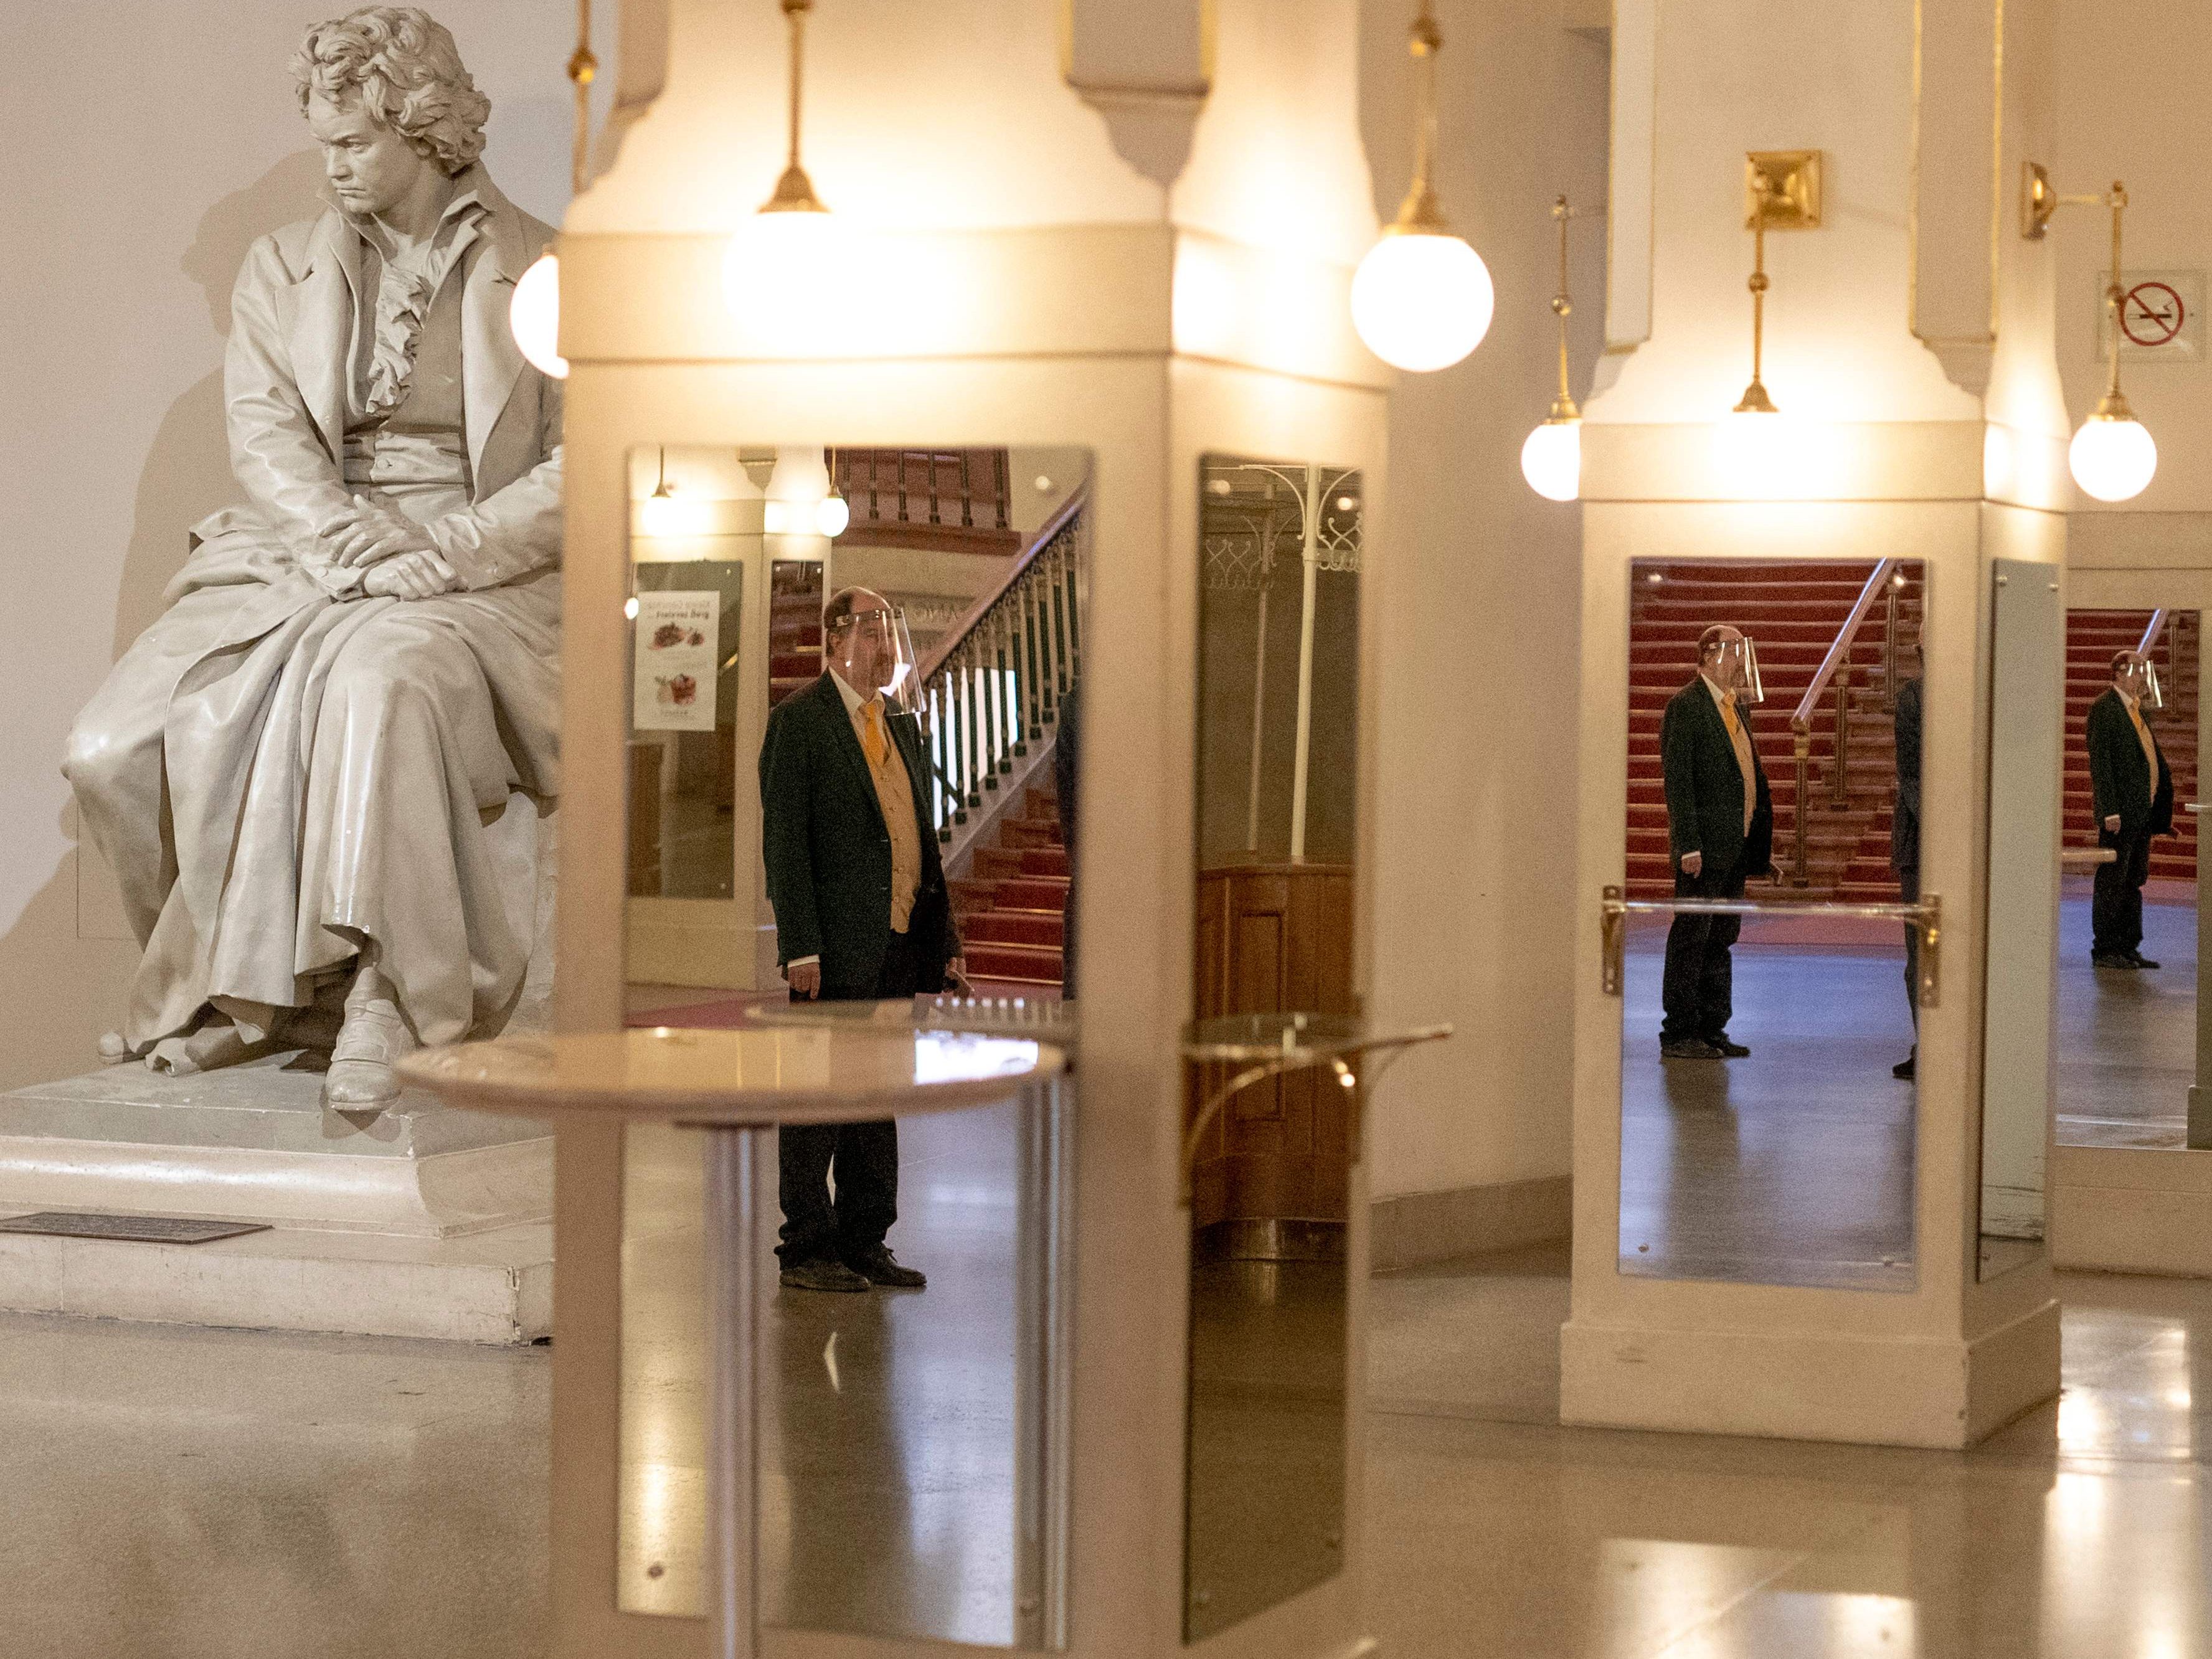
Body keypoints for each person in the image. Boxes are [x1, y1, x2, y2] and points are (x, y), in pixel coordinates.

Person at [64, 7, 562, 1108]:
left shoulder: (550, 269)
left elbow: (588, 461)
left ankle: (388, 990)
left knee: (381, 682)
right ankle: (237, 990)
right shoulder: (280, 268)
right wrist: (356, 550)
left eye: (352, 142)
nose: (330, 166)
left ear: (421, 127)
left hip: (484, 572)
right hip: (306, 554)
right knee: (109, 746)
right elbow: (268, 440)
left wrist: (450, 546)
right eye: (323, 142)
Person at [759, 587, 965, 1293]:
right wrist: (801, 947)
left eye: (889, 633)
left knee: (876, 1097)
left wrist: (943, 936)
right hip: (834, 949)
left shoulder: (899, 724)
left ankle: (864, 1237)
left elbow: (920, 839)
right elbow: (786, 845)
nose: (887, 647)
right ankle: (805, 1248)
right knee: (818, 1100)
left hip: (898, 942)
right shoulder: (800, 722)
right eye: (874, 632)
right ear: (837, 640)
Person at [1657, 625, 1774, 1061]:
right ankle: (1679, 1031)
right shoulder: (1686, 706)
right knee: (1692, 938)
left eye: (1743, 650)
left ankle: (1712, 1026)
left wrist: (1757, 843)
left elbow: (1747, 775)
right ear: (1709, 654)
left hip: (1734, 846)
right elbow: (1679, 781)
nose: (1741, 660)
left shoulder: (1735, 707)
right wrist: (1688, 844)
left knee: (1721, 937)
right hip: (1703, 849)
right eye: (1734, 650)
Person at [2086, 648, 2174, 971]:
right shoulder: (2105, 709)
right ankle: (2106, 948)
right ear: (2119, 672)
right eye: (2136, 670)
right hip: (2120, 815)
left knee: (2134, 881)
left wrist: (2160, 811)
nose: (2141, 677)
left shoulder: (2138, 710)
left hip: (2142, 812)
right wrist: (2109, 810)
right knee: (2113, 881)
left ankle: (2128, 946)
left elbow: (2149, 758)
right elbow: (2102, 764)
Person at [1891, 646, 1922, 1080]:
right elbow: (1911, 773)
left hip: (1960, 835)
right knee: (1921, 952)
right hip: (1921, 839)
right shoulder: (1913, 697)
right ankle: (1928, 1042)